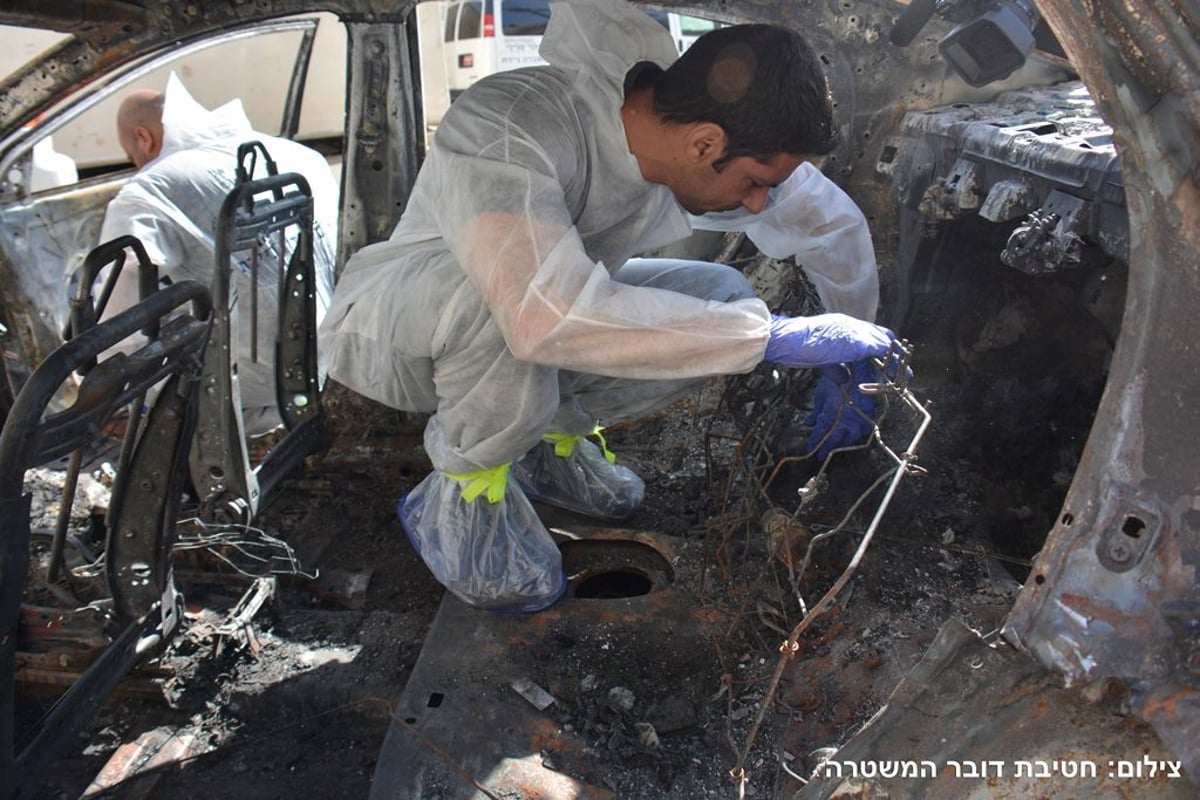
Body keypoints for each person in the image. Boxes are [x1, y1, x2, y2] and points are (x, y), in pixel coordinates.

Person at [321, 0, 898, 612]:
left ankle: (548, 449)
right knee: (505, 307)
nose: (759, 204)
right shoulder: (513, 123)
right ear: (704, 143)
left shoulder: (715, 138)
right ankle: (465, 508)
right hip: (395, 328)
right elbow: (542, 314)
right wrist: (770, 337)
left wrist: (853, 347)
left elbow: (828, 225)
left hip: (524, 329)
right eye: (755, 184)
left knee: (724, 299)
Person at [95, 72, 339, 435]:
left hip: (242, 387)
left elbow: (123, 288)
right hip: (326, 362)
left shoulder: (151, 188)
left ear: (143, 138)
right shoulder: (302, 155)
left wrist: (112, 385)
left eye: (133, 156)